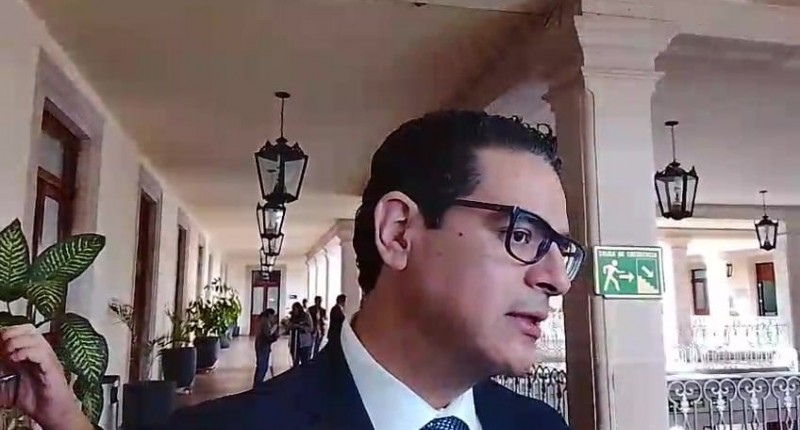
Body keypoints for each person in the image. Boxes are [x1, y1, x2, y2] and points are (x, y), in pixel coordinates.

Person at [2, 110, 584, 430]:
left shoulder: (540, 426)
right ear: (399, 233)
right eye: (522, 234)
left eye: (562, 248)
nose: (557, 279)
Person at [253, 308, 278, 385]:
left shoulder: (263, 320)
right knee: (262, 366)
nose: (273, 317)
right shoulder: (265, 322)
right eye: (273, 316)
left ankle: (257, 383)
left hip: (261, 344)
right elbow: (268, 333)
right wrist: (274, 328)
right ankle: (258, 384)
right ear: (269, 315)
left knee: (261, 365)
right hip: (262, 345)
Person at [287, 302, 313, 367]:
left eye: (295, 309)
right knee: (295, 360)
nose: (294, 311)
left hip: (304, 342)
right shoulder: (293, 317)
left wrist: (299, 326)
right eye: (293, 309)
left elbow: (310, 328)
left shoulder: (306, 316)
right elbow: (289, 327)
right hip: (294, 341)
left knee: (304, 361)